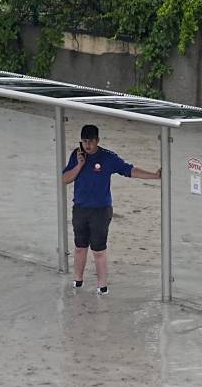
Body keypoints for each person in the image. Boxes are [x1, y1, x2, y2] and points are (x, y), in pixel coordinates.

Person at [61, 123, 160, 295]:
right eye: (85, 142)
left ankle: (102, 286)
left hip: (101, 210)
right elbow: (65, 178)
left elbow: (129, 170)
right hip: (80, 209)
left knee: (99, 249)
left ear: (98, 140)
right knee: (79, 247)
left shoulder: (108, 157)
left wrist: (154, 176)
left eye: (91, 141)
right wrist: (78, 165)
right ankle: (77, 281)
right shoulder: (76, 156)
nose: (88, 145)